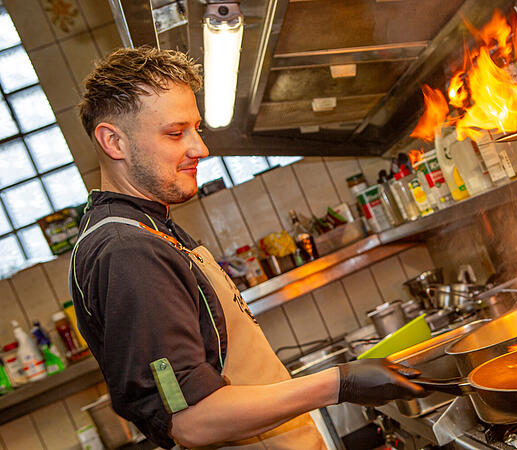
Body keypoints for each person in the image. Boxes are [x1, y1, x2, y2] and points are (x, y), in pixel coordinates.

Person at [69, 47, 426, 449]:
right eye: (175, 133)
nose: (200, 148)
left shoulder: (152, 227)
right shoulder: (127, 250)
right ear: (113, 141)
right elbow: (193, 421)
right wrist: (340, 382)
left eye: (196, 129)